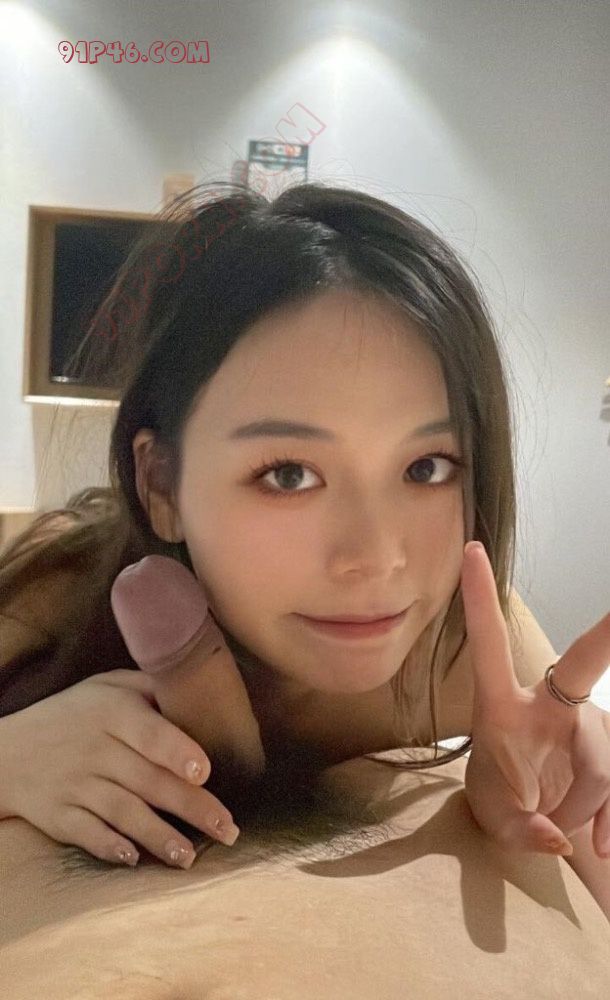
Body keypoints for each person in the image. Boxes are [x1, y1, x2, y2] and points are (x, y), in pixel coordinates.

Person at [0, 181, 608, 920]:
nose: (376, 558)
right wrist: (12, 757)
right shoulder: (62, 594)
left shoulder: (468, 647)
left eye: (427, 467)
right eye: (288, 475)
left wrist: (546, 798)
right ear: (160, 484)